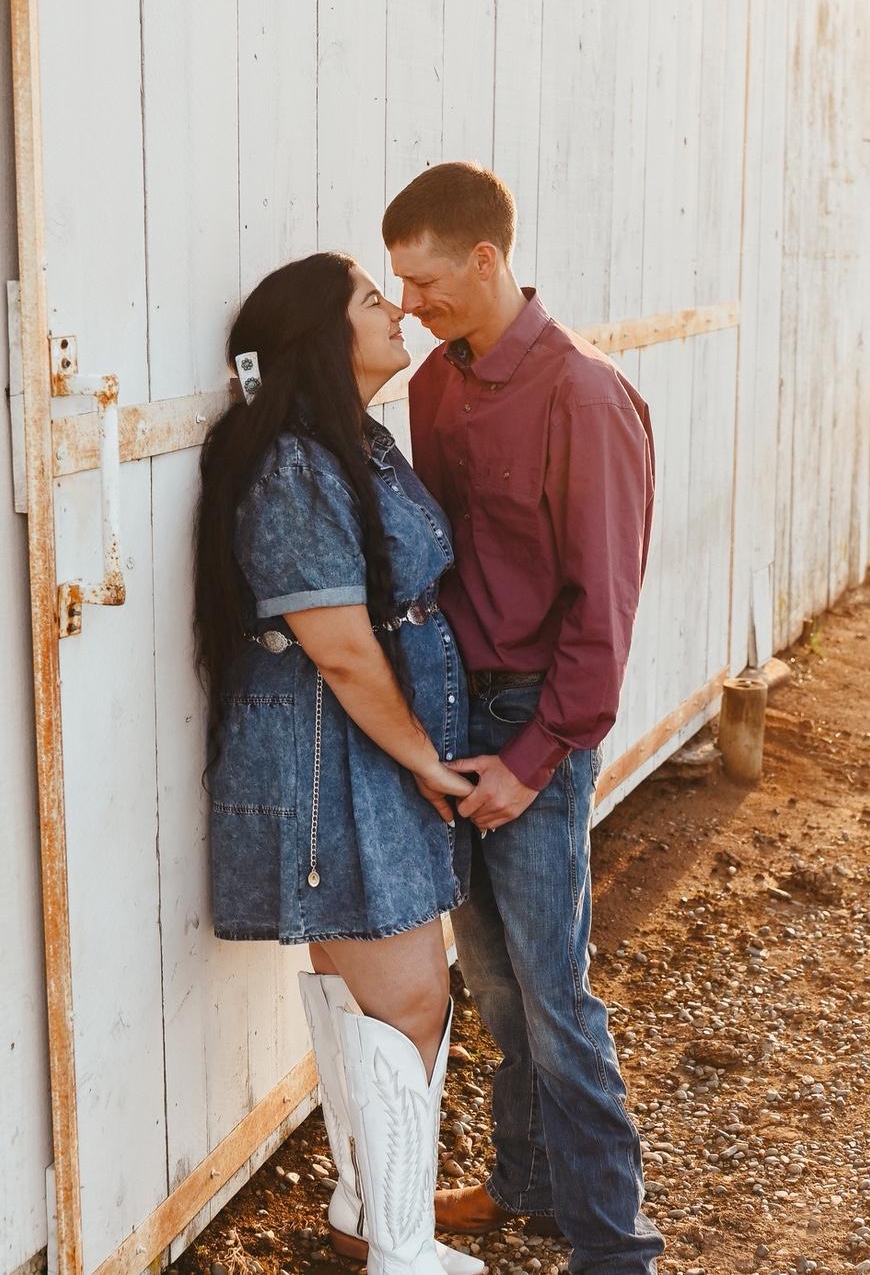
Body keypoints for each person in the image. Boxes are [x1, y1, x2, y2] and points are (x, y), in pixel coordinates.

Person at [383, 163, 663, 1274]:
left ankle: (613, 1245)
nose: (408, 304)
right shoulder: (433, 385)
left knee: (552, 990)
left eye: (424, 281)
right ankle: (527, 1181)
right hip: (451, 712)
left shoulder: (584, 396)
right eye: (398, 285)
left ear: (487, 258)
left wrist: (535, 758)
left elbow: (605, 608)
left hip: (534, 718)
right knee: (494, 982)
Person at [193, 251, 484, 1275]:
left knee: (382, 998)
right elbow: (344, 651)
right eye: (372, 299)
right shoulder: (295, 470)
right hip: (336, 761)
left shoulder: (356, 443)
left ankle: (372, 1223)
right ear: (322, 337)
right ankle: (402, 1252)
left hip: (363, 752)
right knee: (409, 999)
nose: (398, 310)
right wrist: (428, 762)